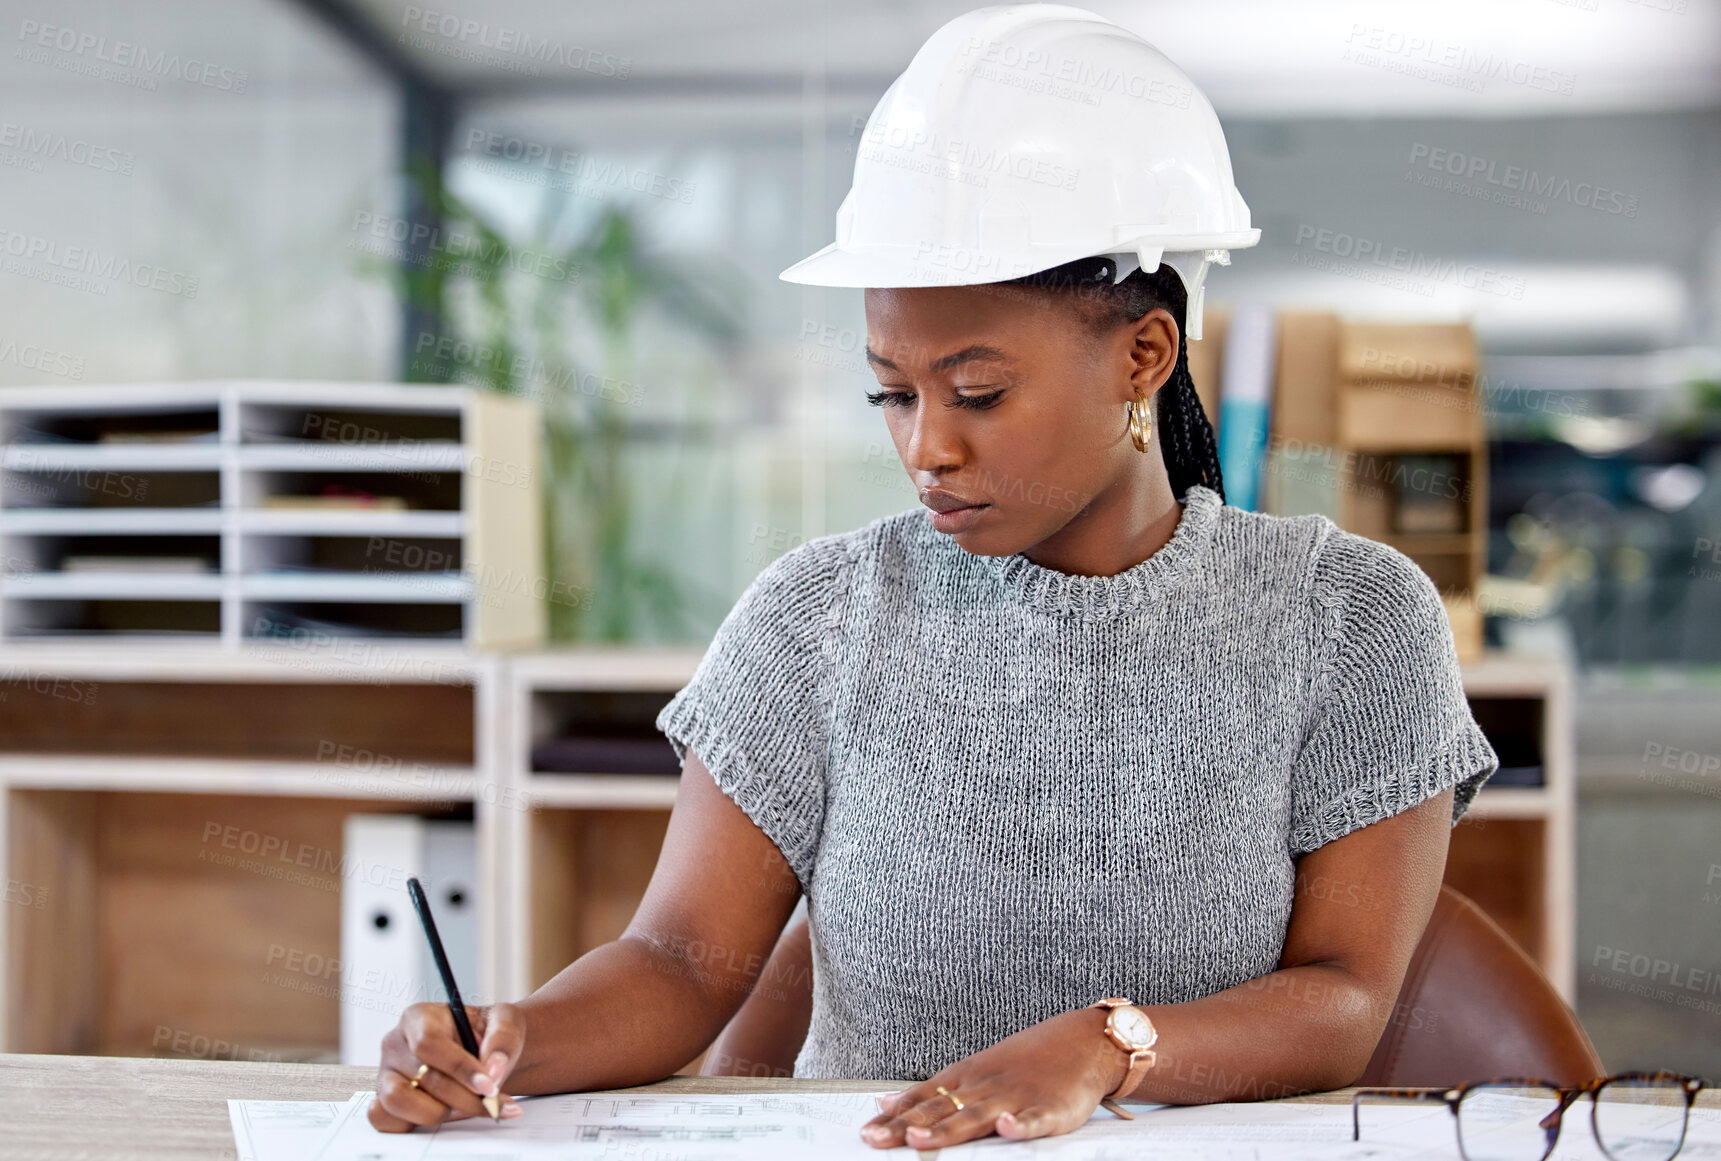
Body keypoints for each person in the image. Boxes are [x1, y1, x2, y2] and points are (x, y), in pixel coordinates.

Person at [367, 4, 1499, 1149]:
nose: (925, 450)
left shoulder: (1348, 616)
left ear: (1143, 355)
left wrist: (1108, 1047)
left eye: (977, 393)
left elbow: (1345, 998)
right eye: (892, 394)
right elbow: (676, 963)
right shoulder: (816, 616)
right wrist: (512, 1037)